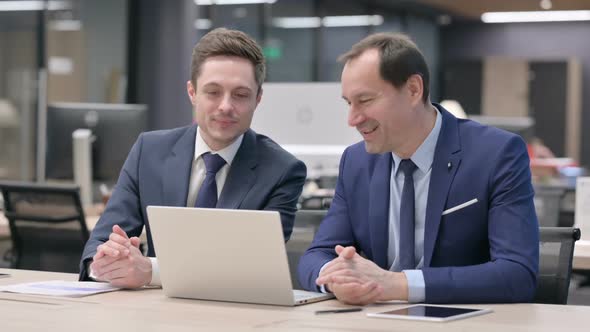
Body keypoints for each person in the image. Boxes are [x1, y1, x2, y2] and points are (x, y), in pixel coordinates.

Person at [297, 32, 539, 305]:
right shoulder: (356, 162)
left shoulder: (496, 154)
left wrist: (397, 284)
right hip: (376, 321)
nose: (352, 119)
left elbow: (518, 275)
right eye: (348, 103)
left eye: (364, 101)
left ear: (413, 89)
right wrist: (335, 279)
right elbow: (316, 256)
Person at [80, 28, 307, 288]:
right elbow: (98, 245)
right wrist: (107, 264)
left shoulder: (282, 171)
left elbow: (253, 270)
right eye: (213, 92)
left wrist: (149, 270)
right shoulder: (149, 151)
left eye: (241, 95)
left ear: (258, 99)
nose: (225, 106)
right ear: (192, 93)